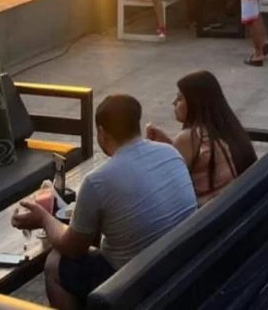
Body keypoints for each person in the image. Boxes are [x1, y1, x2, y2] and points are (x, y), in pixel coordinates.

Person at [15, 93, 196, 309]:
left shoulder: (98, 181)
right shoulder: (170, 152)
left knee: (55, 263)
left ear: (101, 132)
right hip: (179, 265)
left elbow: (73, 248)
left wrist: (44, 218)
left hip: (134, 282)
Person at [146, 70, 256, 205]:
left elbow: (165, 186)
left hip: (205, 218)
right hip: (233, 208)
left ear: (195, 103)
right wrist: (169, 145)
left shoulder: (189, 138)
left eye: (180, 98)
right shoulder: (227, 129)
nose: (173, 102)